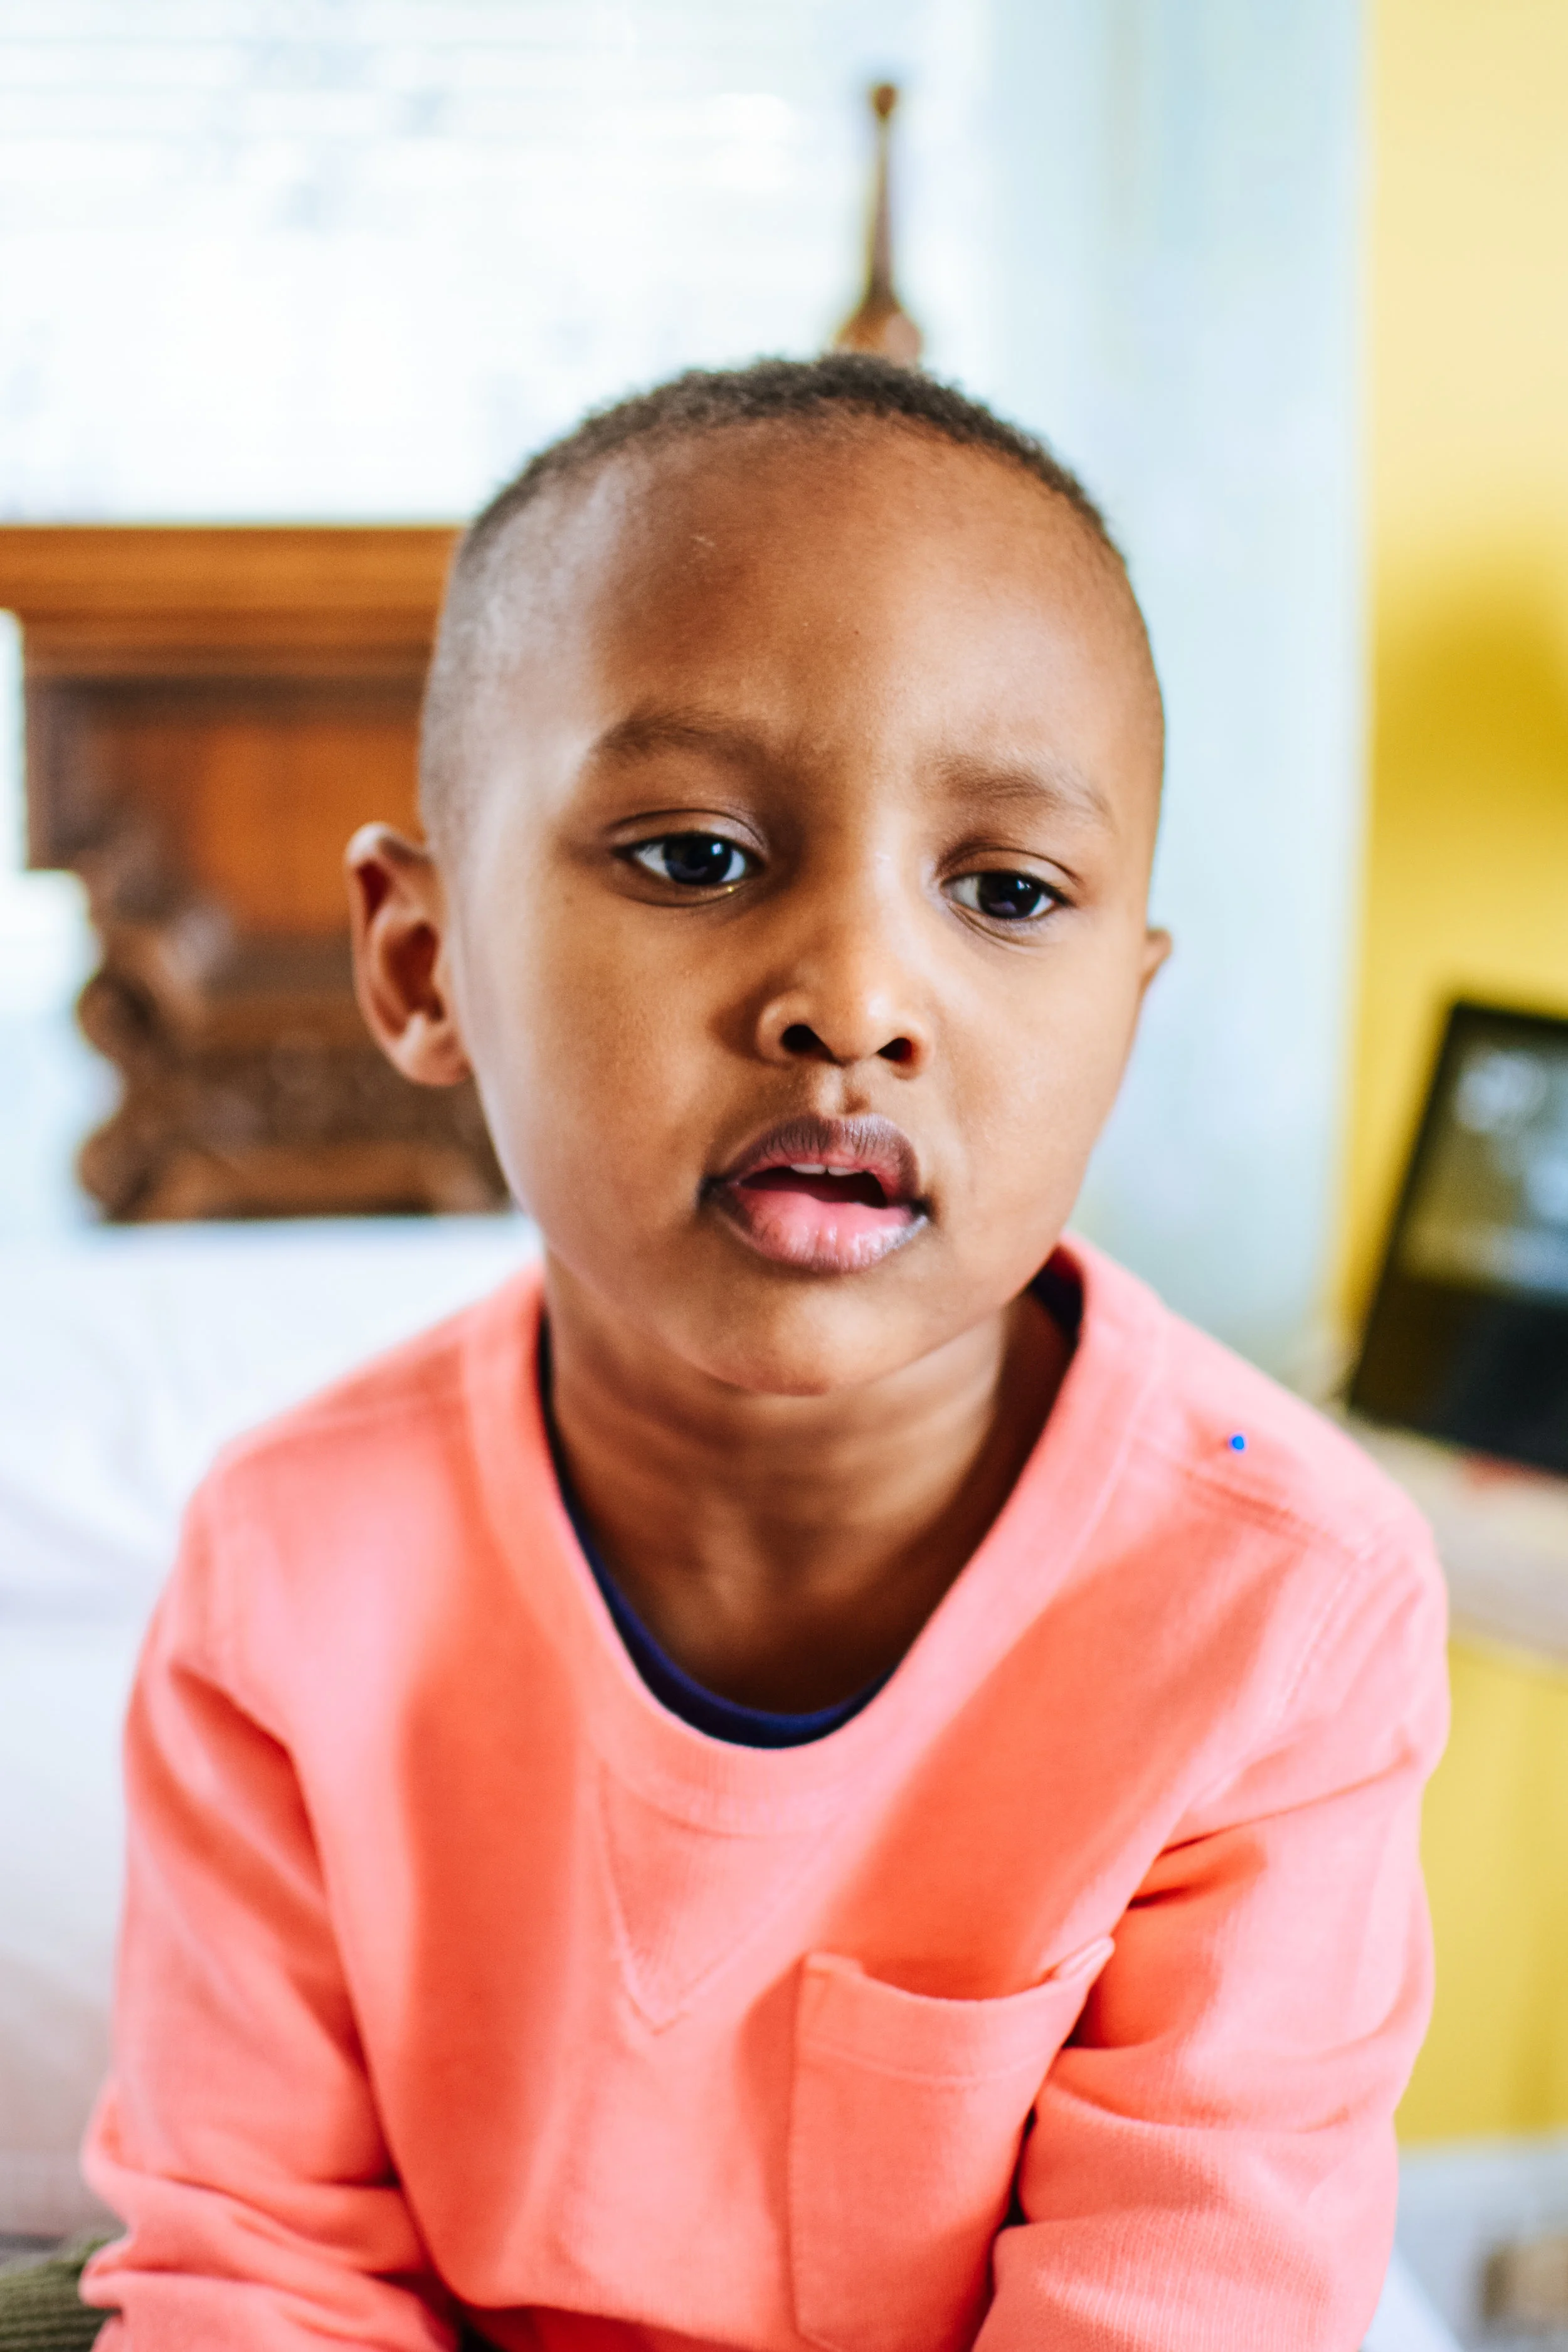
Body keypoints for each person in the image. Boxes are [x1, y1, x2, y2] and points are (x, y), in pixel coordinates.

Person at [78, 355, 1446, 2351]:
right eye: (697, 857)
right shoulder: (293, 1561)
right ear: (420, 963)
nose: (859, 1000)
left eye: (1004, 890)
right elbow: (262, 2268)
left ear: (1122, 1011)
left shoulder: (1280, 1609)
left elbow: (1177, 2304)